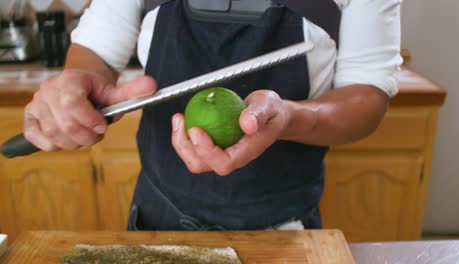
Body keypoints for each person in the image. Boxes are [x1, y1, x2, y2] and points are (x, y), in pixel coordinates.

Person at [23, 0, 402, 231]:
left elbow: (366, 96)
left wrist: (288, 117)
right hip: (158, 210)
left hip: (282, 220)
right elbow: (95, 52)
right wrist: (74, 87)